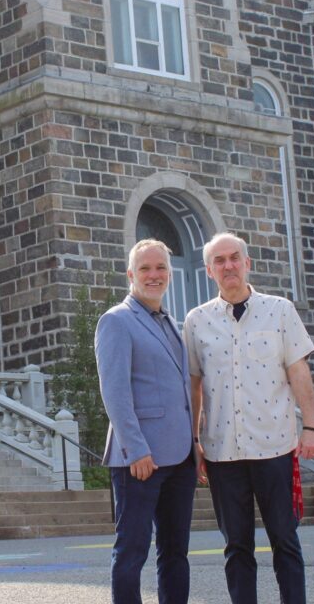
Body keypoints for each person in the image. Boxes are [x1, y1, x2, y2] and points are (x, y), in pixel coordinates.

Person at [183, 232, 314, 604]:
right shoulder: (196, 322)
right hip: (222, 452)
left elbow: (299, 372)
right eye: (219, 261)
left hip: (274, 445)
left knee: (285, 540)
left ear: (247, 263)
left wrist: (310, 427)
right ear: (210, 271)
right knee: (237, 547)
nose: (228, 265)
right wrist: (194, 441)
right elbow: (194, 387)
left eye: (234, 258)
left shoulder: (280, 311)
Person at [96, 238, 198, 604]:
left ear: (169, 274)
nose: (154, 275)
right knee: (131, 551)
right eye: (145, 269)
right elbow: (115, 392)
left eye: (160, 268)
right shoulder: (116, 321)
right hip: (140, 460)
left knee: (175, 553)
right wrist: (136, 448)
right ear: (130, 274)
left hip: (180, 458)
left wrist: (196, 447)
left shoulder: (172, 322)